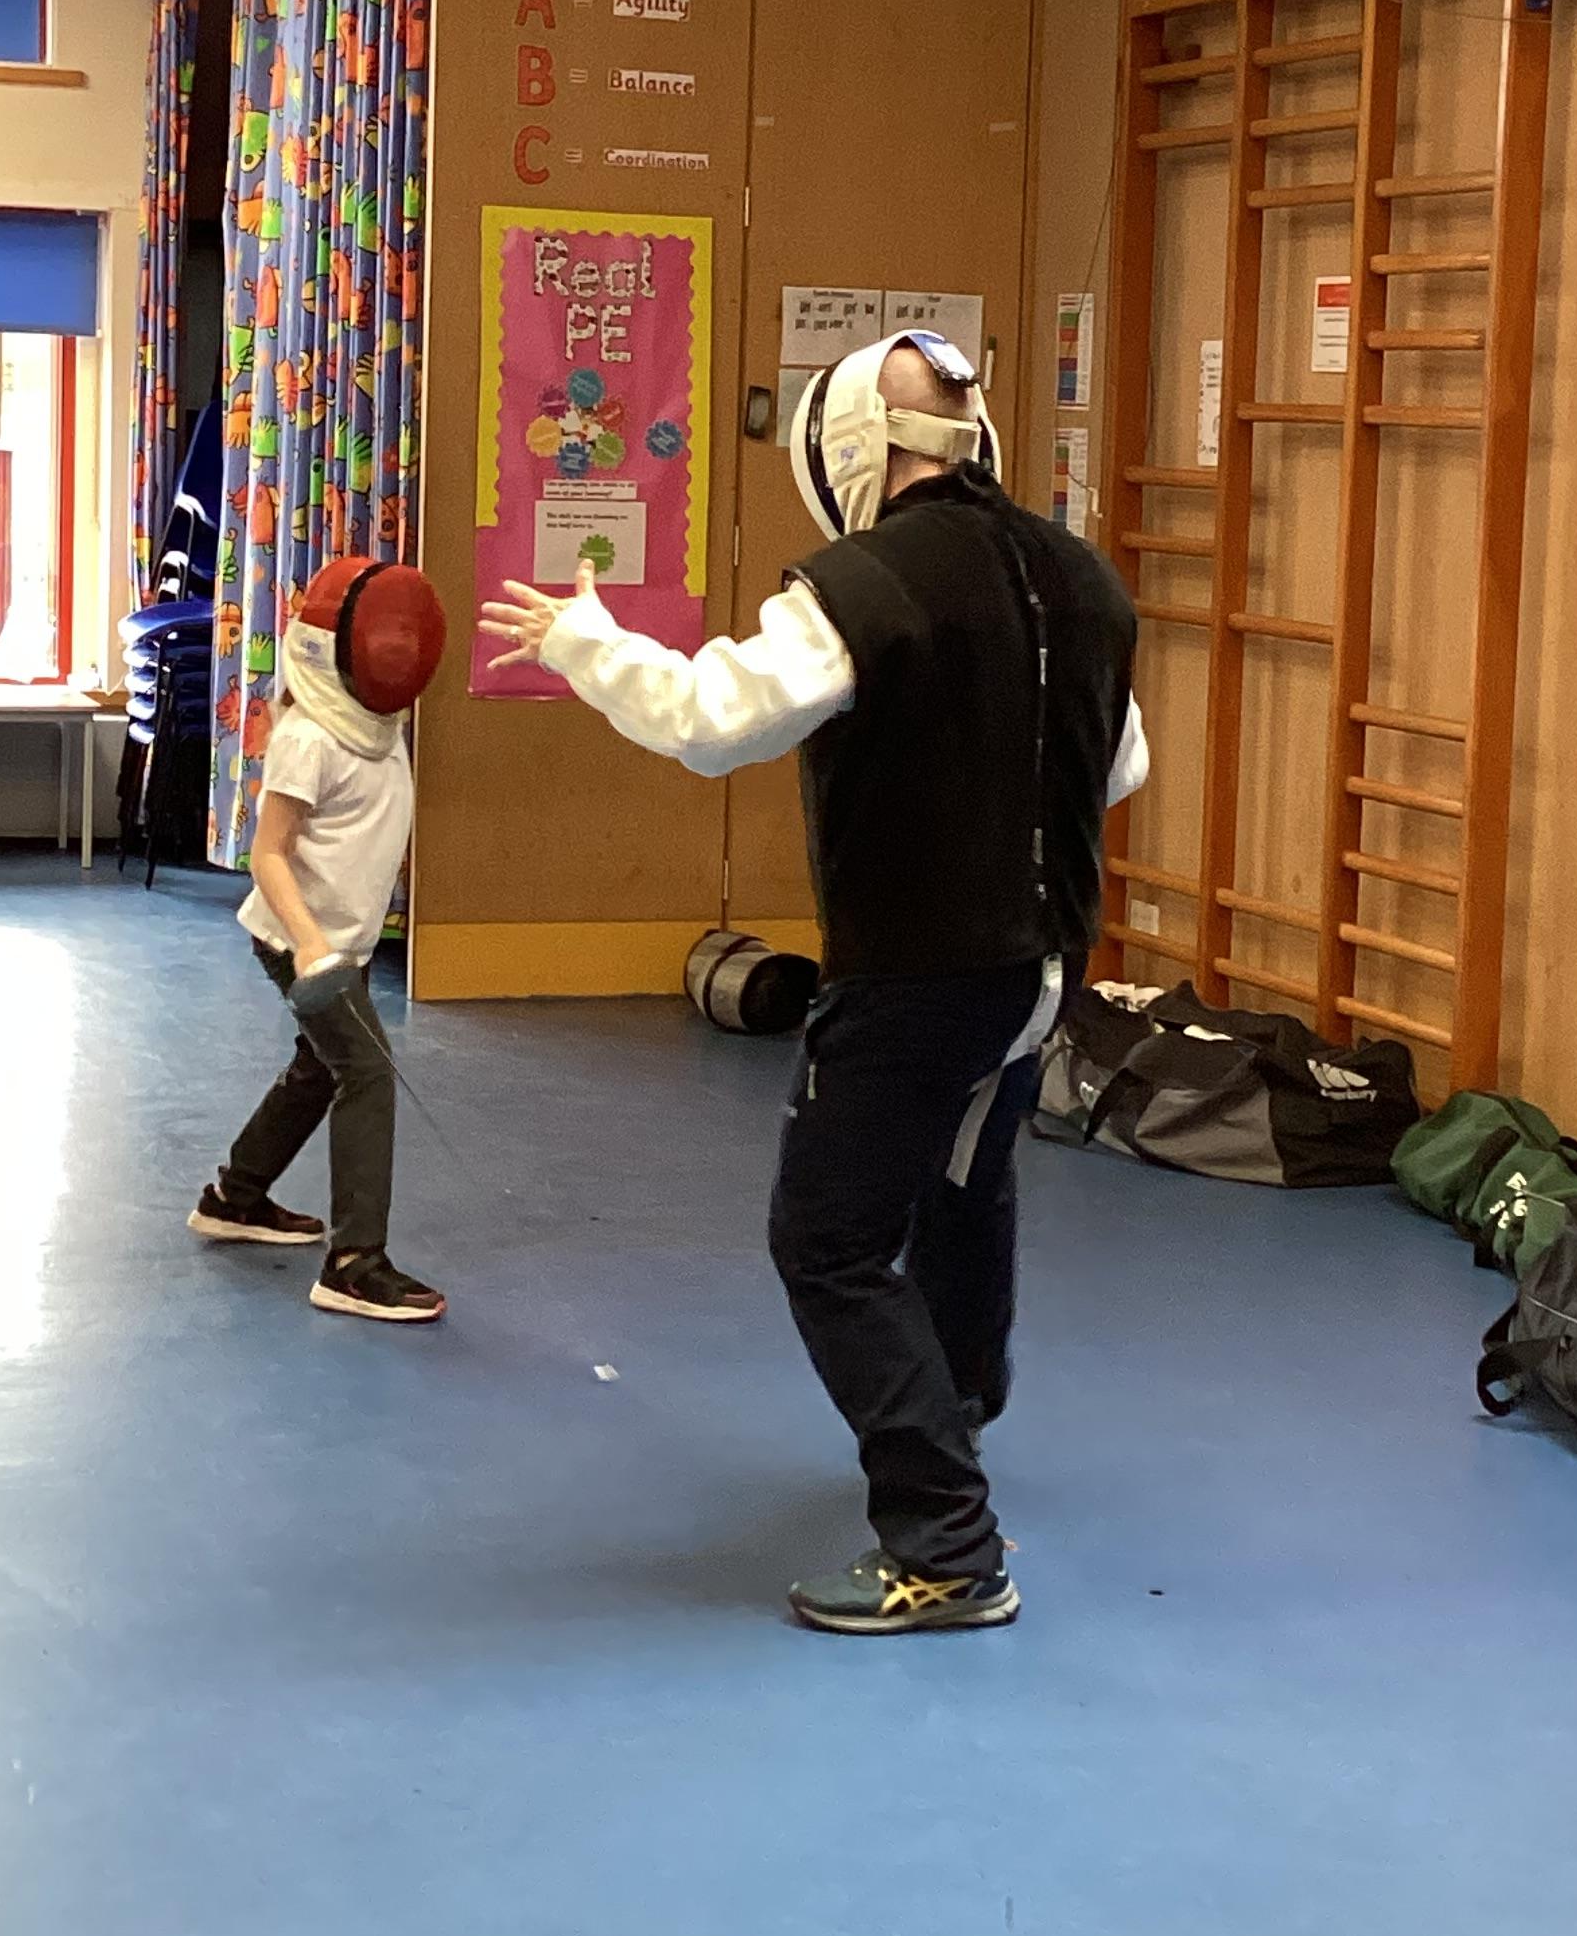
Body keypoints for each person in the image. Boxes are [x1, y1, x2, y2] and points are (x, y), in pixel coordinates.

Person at [480, 332, 1144, 1634]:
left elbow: (709, 720)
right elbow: (1119, 768)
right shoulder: (1083, 580)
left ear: (849, 447)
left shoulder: (862, 586)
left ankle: (947, 1548)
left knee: (828, 1240)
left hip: (919, 974)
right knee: (963, 1186)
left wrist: (582, 640)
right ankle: (953, 1418)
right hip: (1046, 971)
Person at [189, 557, 449, 1325]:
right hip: (300, 942)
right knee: (366, 1071)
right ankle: (354, 1264)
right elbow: (268, 854)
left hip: (344, 946)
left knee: (319, 1066)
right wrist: (309, 946)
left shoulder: (377, 723)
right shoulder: (309, 737)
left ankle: (235, 1198)